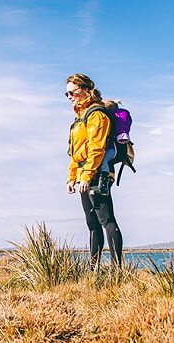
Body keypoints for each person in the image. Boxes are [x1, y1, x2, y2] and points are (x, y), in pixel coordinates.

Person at [65, 73, 123, 267]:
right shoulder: (79, 117)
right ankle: (93, 269)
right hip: (84, 174)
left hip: (97, 172)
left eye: (73, 92)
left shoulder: (96, 114)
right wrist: (72, 178)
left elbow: (96, 148)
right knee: (92, 224)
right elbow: (76, 152)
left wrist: (87, 177)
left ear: (86, 89)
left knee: (106, 220)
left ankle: (117, 270)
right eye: (67, 94)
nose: (70, 96)